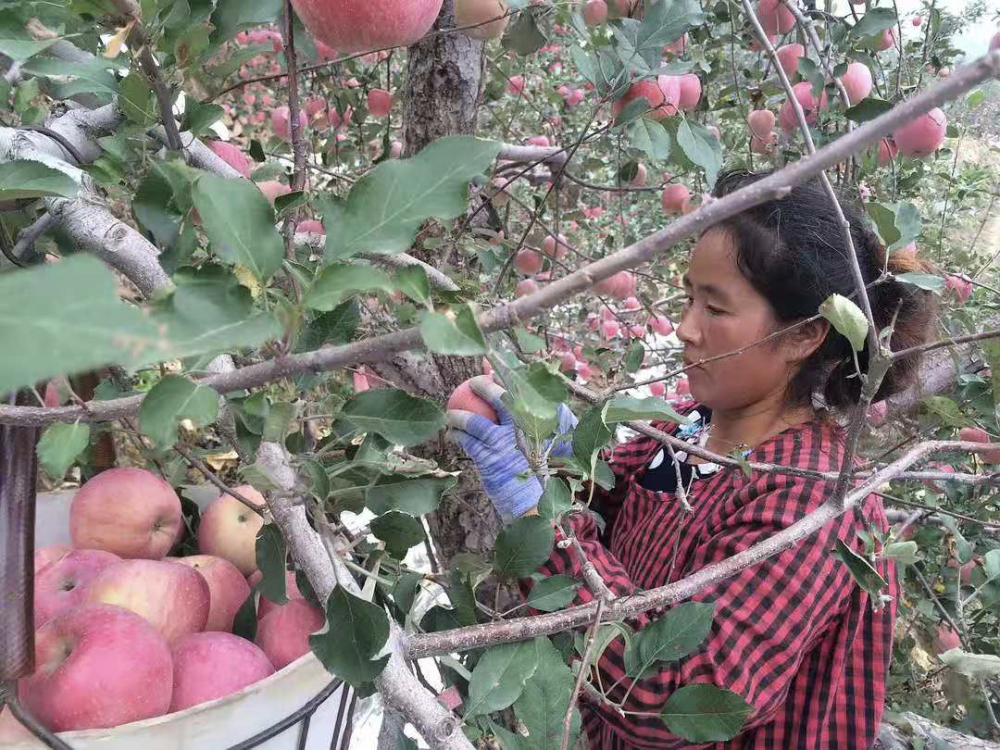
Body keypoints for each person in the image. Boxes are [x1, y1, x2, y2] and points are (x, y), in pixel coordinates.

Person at [447, 168, 938, 749]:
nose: (685, 328)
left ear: (805, 335)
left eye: (717, 309)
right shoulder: (690, 427)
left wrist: (540, 521)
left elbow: (669, 697)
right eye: (688, 298)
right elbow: (609, 499)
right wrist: (563, 454)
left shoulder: (814, 504)